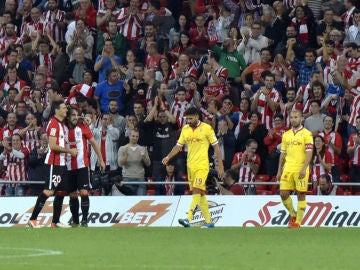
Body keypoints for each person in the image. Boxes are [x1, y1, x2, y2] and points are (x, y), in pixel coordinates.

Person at [162, 107, 224, 228]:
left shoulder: (207, 128)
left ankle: (188, 218)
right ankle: (209, 222)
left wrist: (220, 165)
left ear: (197, 116)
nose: (188, 120)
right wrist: (168, 157)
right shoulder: (185, 129)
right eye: (187, 118)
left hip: (202, 165)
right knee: (200, 193)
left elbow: (216, 147)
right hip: (190, 166)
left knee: (196, 189)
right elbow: (178, 146)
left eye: (190, 118)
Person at [28, 101, 78, 228]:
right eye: (63, 108)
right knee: (49, 191)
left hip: (62, 164)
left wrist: (84, 119)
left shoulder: (61, 123)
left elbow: (74, 119)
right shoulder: (54, 124)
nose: (66, 110)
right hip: (53, 163)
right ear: (57, 110)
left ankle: (55, 222)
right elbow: (53, 146)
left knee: (61, 191)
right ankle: (32, 219)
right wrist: (69, 151)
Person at [66, 107, 105, 227]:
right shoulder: (62, 128)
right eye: (73, 115)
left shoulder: (83, 127)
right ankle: (75, 221)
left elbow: (93, 143)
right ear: (67, 116)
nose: (75, 117)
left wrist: (101, 160)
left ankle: (84, 220)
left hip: (82, 165)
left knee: (84, 192)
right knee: (72, 195)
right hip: (67, 167)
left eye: (77, 115)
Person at [276, 110, 314, 229]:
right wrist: (279, 170)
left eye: (296, 117)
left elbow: (309, 153)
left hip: (301, 168)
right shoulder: (286, 135)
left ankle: (297, 222)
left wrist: (304, 168)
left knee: (300, 194)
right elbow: (282, 154)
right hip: (288, 168)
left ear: (301, 118)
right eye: (291, 117)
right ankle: (293, 214)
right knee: (283, 194)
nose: (293, 119)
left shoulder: (307, 134)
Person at [118, 129, 151, 195]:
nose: (135, 138)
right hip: (127, 178)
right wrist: (126, 156)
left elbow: (148, 164)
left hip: (140, 178)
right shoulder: (122, 148)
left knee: (141, 202)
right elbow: (120, 164)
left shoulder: (143, 149)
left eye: (137, 136)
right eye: (133, 136)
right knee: (129, 203)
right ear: (129, 136)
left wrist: (144, 156)